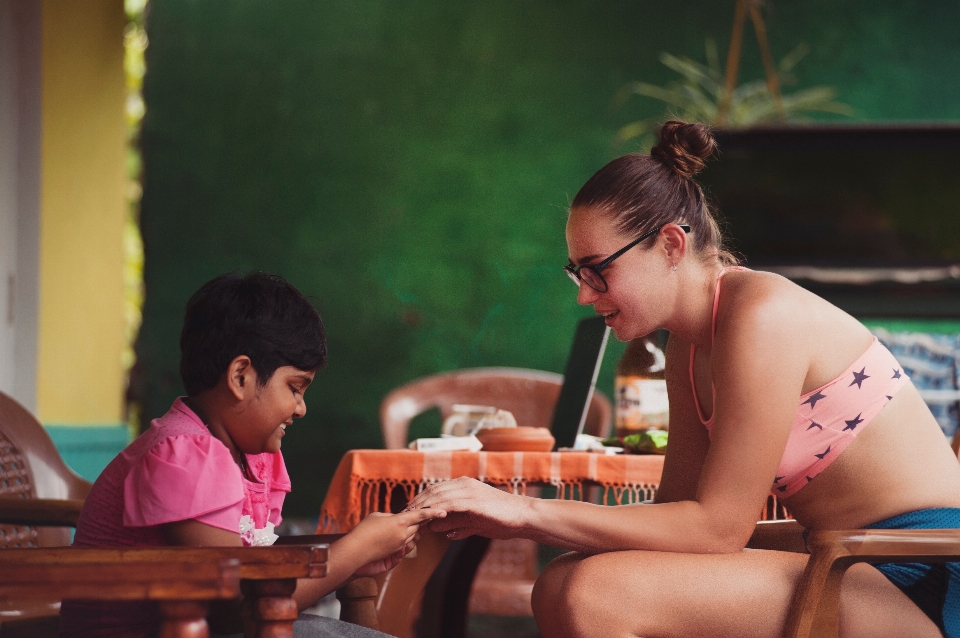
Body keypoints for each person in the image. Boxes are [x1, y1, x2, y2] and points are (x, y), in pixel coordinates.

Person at [405, 121, 960, 638]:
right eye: (577, 272)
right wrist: (525, 519)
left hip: (924, 576)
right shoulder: (690, 348)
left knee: (595, 592)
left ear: (671, 245)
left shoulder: (760, 316)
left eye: (599, 269)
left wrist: (526, 512)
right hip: (850, 559)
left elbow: (716, 530)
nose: (583, 292)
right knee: (561, 582)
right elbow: (678, 514)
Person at [60, 272, 444, 638]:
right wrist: (354, 551)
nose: (301, 408)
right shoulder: (185, 456)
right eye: (295, 387)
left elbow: (257, 565)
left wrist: (354, 552)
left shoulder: (241, 454)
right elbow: (238, 605)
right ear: (240, 376)